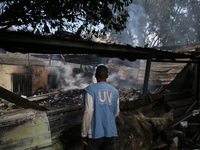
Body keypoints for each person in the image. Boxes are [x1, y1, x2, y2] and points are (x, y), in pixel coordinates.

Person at [81, 65, 120, 150]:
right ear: (107, 76)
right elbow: (117, 112)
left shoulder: (90, 90)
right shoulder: (115, 91)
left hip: (94, 134)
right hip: (109, 132)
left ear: (95, 75)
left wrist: (84, 134)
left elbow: (88, 112)